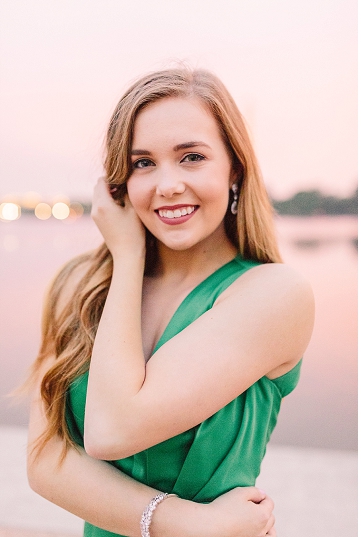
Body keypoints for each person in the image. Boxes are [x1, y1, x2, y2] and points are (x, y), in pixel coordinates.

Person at [25, 68, 315, 536]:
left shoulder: (275, 294)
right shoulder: (78, 285)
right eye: (143, 163)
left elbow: (111, 429)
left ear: (234, 167)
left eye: (192, 157)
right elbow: (43, 459)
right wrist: (190, 524)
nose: (167, 185)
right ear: (118, 181)